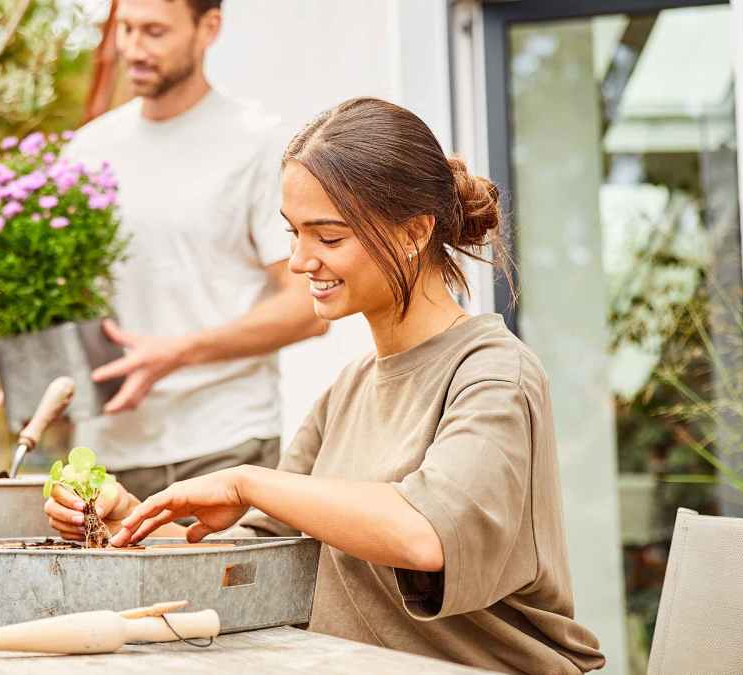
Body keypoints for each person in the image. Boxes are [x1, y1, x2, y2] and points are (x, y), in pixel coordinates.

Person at [47, 98, 607, 674]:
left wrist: (248, 481)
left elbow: (425, 534)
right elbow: (252, 568)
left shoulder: (493, 374)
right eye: (293, 234)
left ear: (415, 232)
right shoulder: (349, 391)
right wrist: (126, 523)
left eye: (328, 238)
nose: (298, 261)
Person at [62, 0, 327, 499]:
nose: (133, 50)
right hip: (105, 454)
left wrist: (178, 353)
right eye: (126, 30)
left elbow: (307, 308)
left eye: (155, 32)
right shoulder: (86, 152)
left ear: (209, 28)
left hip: (225, 444)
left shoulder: (260, 145)